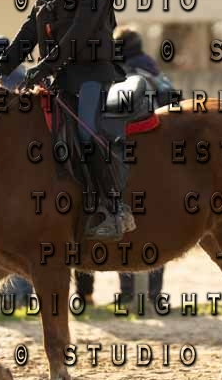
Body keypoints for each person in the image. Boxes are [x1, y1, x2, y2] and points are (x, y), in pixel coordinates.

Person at [0, 0, 134, 241]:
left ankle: (114, 209)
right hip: (61, 75)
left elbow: (81, 32)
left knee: (84, 131)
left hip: (92, 74)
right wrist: (6, 63)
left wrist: (45, 66)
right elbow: (32, 25)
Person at [73, 26, 172, 307]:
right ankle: (153, 295)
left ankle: (122, 294)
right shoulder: (156, 74)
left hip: (125, 160)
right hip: (163, 161)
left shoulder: (117, 77)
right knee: (157, 228)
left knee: (119, 226)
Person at [0, 37, 34, 307]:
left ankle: (12, 296)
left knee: (8, 240)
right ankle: (26, 294)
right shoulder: (30, 80)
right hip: (36, 171)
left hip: (3, 174)